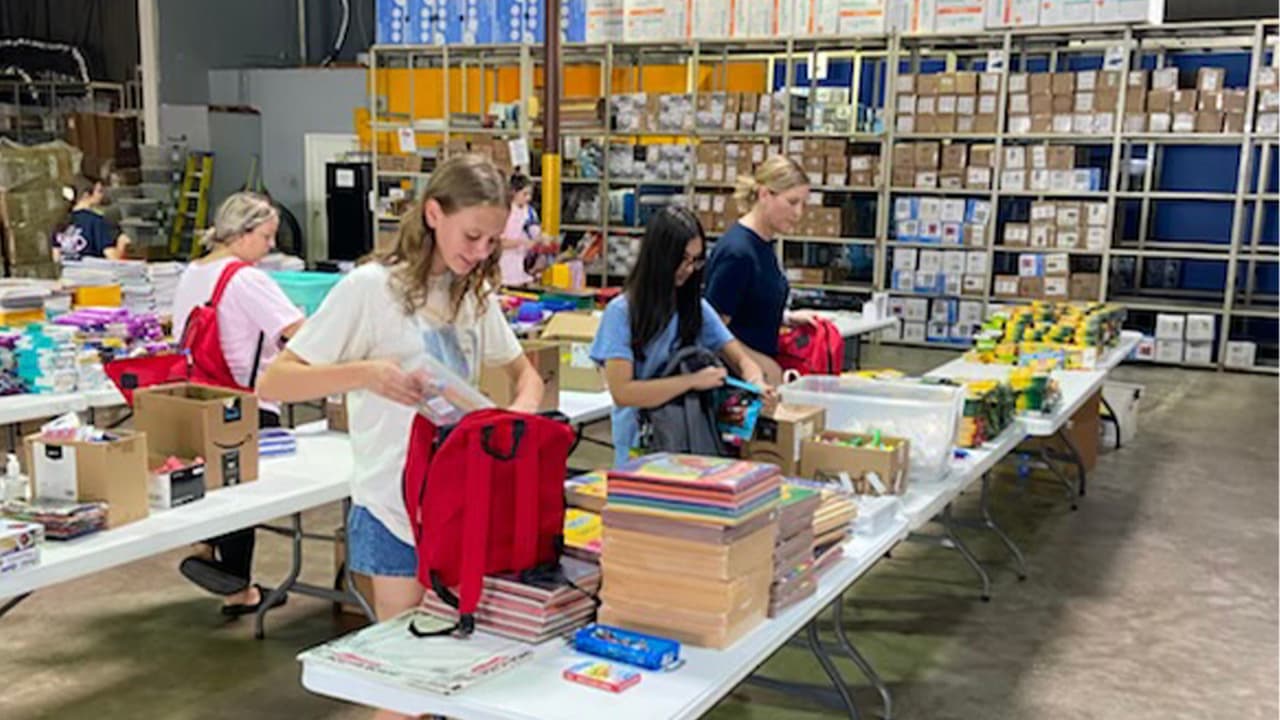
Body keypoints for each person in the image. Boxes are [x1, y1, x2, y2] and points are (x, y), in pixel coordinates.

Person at [258, 155, 542, 719]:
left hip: (462, 510)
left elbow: (526, 374)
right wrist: (368, 374)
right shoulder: (370, 289)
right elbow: (277, 380)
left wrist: (517, 421)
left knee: (452, 679)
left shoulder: (472, 296)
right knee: (403, 692)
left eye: (492, 241)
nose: (481, 252)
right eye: (473, 236)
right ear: (434, 213)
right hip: (393, 510)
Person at [170, 191, 305, 617]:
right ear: (243, 233)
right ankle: (239, 590)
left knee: (217, 482)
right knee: (244, 491)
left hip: (196, 395)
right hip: (244, 399)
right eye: (266, 237)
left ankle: (206, 545)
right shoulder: (246, 279)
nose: (270, 247)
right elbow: (297, 331)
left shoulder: (193, 271)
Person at [590, 205, 769, 468]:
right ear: (659, 256)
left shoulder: (694, 307)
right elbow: (624, 392)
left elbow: (742, 359)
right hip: (641, 447)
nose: (688, 269)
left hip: (690, 443)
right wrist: (692, 381)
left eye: (695, 261)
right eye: (682, 259)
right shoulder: (622, 313)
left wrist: (756, 383)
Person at [702, 156, 821, 385]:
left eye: (803, 204)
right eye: (792, 202)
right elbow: (712, 329)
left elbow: (747, 306)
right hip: (739, 386)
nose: (799, 213)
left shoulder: (764, 244)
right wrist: (757, 364)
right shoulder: (738, 253)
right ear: (765, 194)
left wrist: (786, 318)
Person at [51, 175, 131, 262]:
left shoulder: (61, 222)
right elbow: (113, 258)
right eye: (99, 191)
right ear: (86, 195)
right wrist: (121, 243)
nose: (102, 195)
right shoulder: (96, 221)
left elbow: (56, 259)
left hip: (68, 273)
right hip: (92, 273)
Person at [498, 173, 541, 287]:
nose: (528, 198)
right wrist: (520, 242)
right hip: (503, 269)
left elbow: (536, 235)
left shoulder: (530, 212)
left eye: (530, 194)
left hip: (522, 268)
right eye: (524, 194)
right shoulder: (504, 212)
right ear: (513, 192)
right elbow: (498, 243)